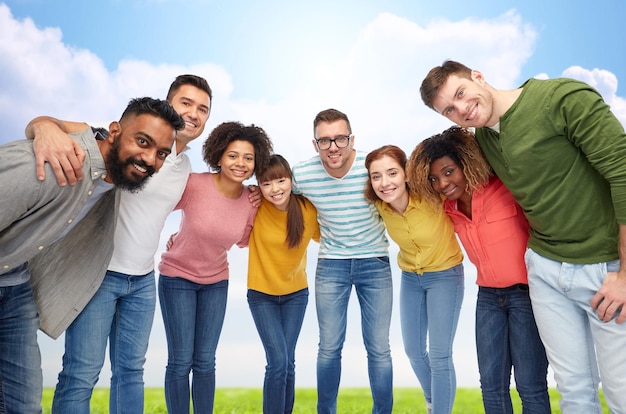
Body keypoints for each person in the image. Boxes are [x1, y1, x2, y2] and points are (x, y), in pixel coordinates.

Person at [420, 60, 626, 413]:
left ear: (478, 76)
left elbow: (623, 170)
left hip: (604, 267)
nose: (461, 109)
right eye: (449, 110)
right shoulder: (485, 139)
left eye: (460, 93)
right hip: (544, 270)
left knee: (621, 388)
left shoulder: (561, 98)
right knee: (573, 390)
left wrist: (624, 274)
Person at [27, 75, 213, 413]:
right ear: (168, 104)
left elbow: (191, 211)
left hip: (142, 280)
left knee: (131, 373)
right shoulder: (125, 142)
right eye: (186, 103)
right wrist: (43, 127)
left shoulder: (184, 167)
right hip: (97, 274)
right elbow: (45, 124)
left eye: (203, 109)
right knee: (81, 373)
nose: (194, 113)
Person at [0, 97, 183, 414]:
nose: (150, 159)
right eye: (142, 142)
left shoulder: (112, 177)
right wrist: (43, 127)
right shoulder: (56, 162)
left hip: (15, 286)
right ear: (115, 132)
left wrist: (44, 122)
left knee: (24, 406)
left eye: (161, 153)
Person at [407, 126, 551, 413]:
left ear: (465, 164)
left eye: (449, 172)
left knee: (530, 385)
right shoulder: (447, 209)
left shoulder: (503, 189)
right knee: (491, 386)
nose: (443, 183)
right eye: (434, 179)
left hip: (527, 296)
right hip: (488, 298)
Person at [158, 121, 273, 414]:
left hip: (216, 282)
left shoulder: (251, 200)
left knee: (205, 362)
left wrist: (260, 201)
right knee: (181, 361)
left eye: (248, 158)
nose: (240, 163)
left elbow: (244, 240)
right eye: (233, 155)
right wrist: (176, 237)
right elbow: (155, 207)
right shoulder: (195, 184)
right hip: (177, 278)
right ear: (219, 156)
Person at [291, 108, 393, 414]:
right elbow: (278, 196)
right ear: (315, 144)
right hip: (331, 264)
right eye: (325, 141)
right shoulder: (303, 174)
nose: (333, 146)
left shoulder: (372, 167)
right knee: (329, 347)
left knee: (378, 348)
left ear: (352, 139)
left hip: (374, 260)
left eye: (340, 139)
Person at [365, 145, 465, 414]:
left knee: (440, 355)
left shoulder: (431, 197)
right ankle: (435, 404)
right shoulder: (379, 207)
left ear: (406, 174)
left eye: (391, 173)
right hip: (411, 278)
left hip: (445, 275)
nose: (385, 183)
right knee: (414, 351)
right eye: (376, 176)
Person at [247, 154, 320, 414]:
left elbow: (331, 235)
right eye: (266, 184)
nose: (274, 189)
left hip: (296, 295)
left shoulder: (307, 210)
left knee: (287, 362)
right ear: (259, 185)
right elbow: (228, 228)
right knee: (277, 361)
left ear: (291, 180)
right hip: (261, 295)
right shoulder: (254, 206)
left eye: (280, 181)